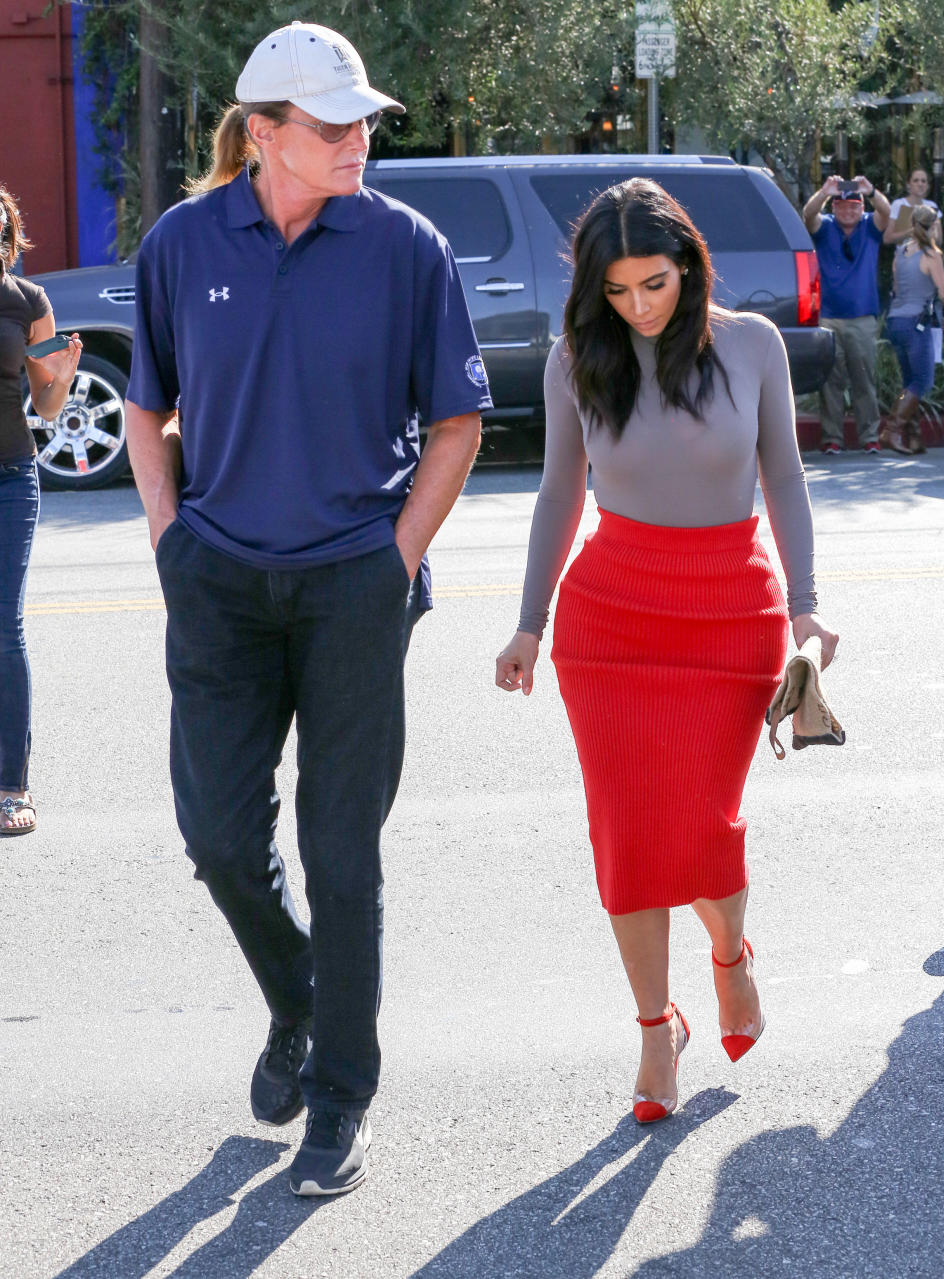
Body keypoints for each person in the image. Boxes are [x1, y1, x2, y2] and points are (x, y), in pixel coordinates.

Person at [124, 21, 490, 1197]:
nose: (357, 143)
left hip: (352, 584)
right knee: (221, 841)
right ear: (263, 136)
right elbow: (146, 407)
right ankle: (301, 1003)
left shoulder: (406, 246)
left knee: (342, 852)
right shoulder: (183, 242)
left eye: (362, 124)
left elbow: (460, 421)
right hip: (219, 583)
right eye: (331, 127)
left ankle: (341, 1098)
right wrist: (170, 538)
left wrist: (395, 559)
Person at [495, 179, 838, 1125]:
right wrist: (529, 621)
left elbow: (787, 481)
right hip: (612, 622)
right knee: (630, 836)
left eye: (654, 283)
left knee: (704, 829)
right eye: (617, 291)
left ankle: (731, 953)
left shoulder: (754, 345)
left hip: (732, 612)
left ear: (688, 263)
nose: (639, 306)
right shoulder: (578, 359)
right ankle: (656, 1028)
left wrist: (807, 610)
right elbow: (560, 495)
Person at [0, 185, 81, 836]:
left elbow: (48, 409)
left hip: (9, 474)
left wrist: (64, 379)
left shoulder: (28, 302)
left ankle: (11, 785)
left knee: (4, 626)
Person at [802, 175, 890, 454]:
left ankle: (869, 437)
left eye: (854, 206)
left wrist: (871, 190)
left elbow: (887, 212)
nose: (848, 211)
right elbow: (808, 214)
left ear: (862, 208)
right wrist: (825, 192)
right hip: (828, 316)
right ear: (835, 208)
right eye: (842, 206)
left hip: (862, 317)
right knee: (831, 380)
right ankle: (832, 438)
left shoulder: (870, 227)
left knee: (864, 378)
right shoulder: (825, 227)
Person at [880, 205, 944, 455]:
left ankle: (913, 437)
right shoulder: (932, 255)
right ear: (933, 226)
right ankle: (892, 431)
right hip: (916, 323)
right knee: (923, 380)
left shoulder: (900, 251)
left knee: (909, 380)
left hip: (896, 320)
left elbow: (897, 287)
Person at [883, 168, 942, 248]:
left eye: (923, 181)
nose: (920, 184)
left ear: (928, 186)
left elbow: (939, 241)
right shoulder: (899, 204)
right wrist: (909, 232)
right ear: (908, 184)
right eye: (916, 180)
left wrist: (927, 233)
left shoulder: (932, 206)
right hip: (904, 255)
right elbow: (887, 238)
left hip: (927, 255)